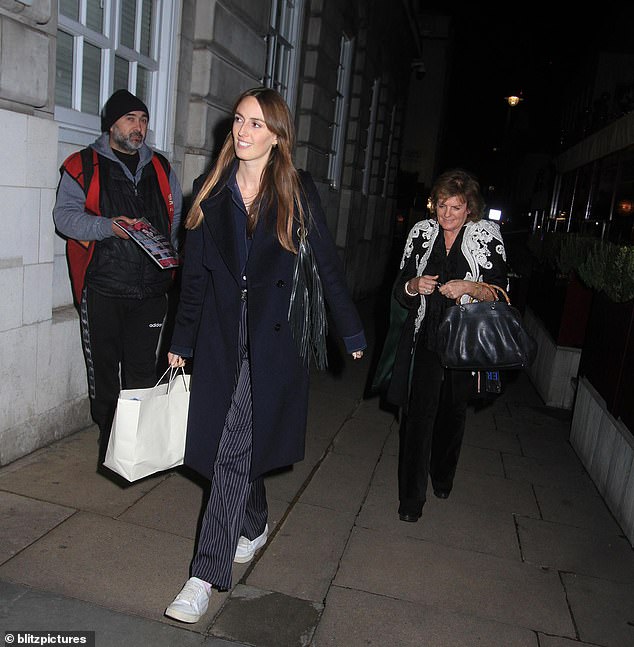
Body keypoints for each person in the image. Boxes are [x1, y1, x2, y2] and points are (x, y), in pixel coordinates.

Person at [163, 87, 366, 624]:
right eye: (239, 121)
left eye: (256, 124)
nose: (242, 131)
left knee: (231, 450)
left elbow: (326, 264)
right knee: (227, 446)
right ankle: (252, 522)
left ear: (277, 137)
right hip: (221, 343)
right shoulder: (211, 193)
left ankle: (204, 576)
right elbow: (195, 281)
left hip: (273, 345)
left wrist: (348, 329)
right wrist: (182, 343)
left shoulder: (296, 192)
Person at [53, 89, 183, 470]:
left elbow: (175, 221)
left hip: (151, 292)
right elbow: (66, 218)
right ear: (112, 124)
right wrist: (109, 227)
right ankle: (109, 441)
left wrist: (172, 262)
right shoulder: (82, 166)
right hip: (104, 288)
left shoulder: (161, 167)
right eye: (130, 119)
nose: (138, 127)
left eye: (143, 120)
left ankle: (136, 449)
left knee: (143, 372)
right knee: (106, 373)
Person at [377, 168, 507, 523]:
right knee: (417, 419)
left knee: (452, 414)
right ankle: (410, 501)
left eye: (455, 207)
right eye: (442, 206)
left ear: (470, 208)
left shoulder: (487, 235)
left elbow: (499, 292)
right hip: (426, 339)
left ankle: (443, 474)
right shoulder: (421, 233)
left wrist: (467, 287)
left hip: (465, 345)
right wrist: (413, 284)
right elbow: (400, 286)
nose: (446, 215)